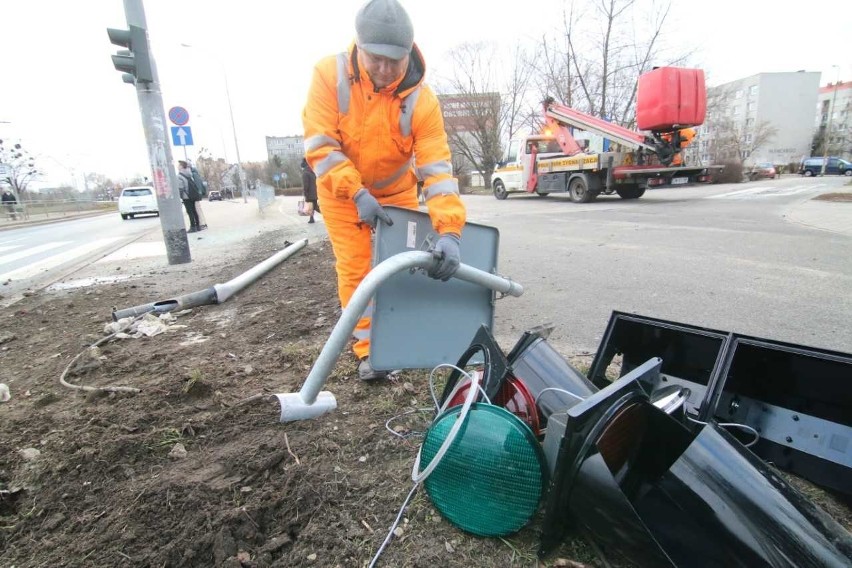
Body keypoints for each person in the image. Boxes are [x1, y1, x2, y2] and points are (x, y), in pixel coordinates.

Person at [303, 0, 466, 380]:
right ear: (358, 47)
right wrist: (357, 194)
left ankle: (401, 341)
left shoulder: (422, 102)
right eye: (375, 57)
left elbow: (437, 171)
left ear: (409, 53)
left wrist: (451, 231)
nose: (384, 68)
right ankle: (369, 353)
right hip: (343, 195)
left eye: (395, 60)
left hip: (396, 196)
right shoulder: (329, 75)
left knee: (399, 269)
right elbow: (321, 148)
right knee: (358, 269)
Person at [177, 160, 201, 233]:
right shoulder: (189, 174)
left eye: (178, 165)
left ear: (181, 166)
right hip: (192, 195)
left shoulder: (179, 176)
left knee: (189, 211)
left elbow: (181, 188)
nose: (177, 166)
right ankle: (198, 226)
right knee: (194, 211)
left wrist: (180, 196)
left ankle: (193, 227)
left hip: (186, 196)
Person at [187, 160, 208, 230]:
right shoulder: (194, 173)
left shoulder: (194, 174)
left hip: (196, 195)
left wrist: (198, 194)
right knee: (198, 209)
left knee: (198, 209)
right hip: (196, 194)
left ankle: (202, 224)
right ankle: (202, 223)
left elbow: (198, 185)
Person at [300, 157, 320, 224]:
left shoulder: (305, 173)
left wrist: (305, 194)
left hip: (309, 194)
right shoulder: (312, 171)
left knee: (315, 207)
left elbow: (306, 185)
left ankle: (328, 215)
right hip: (315, 192)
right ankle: (311, 218)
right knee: (313, 206)